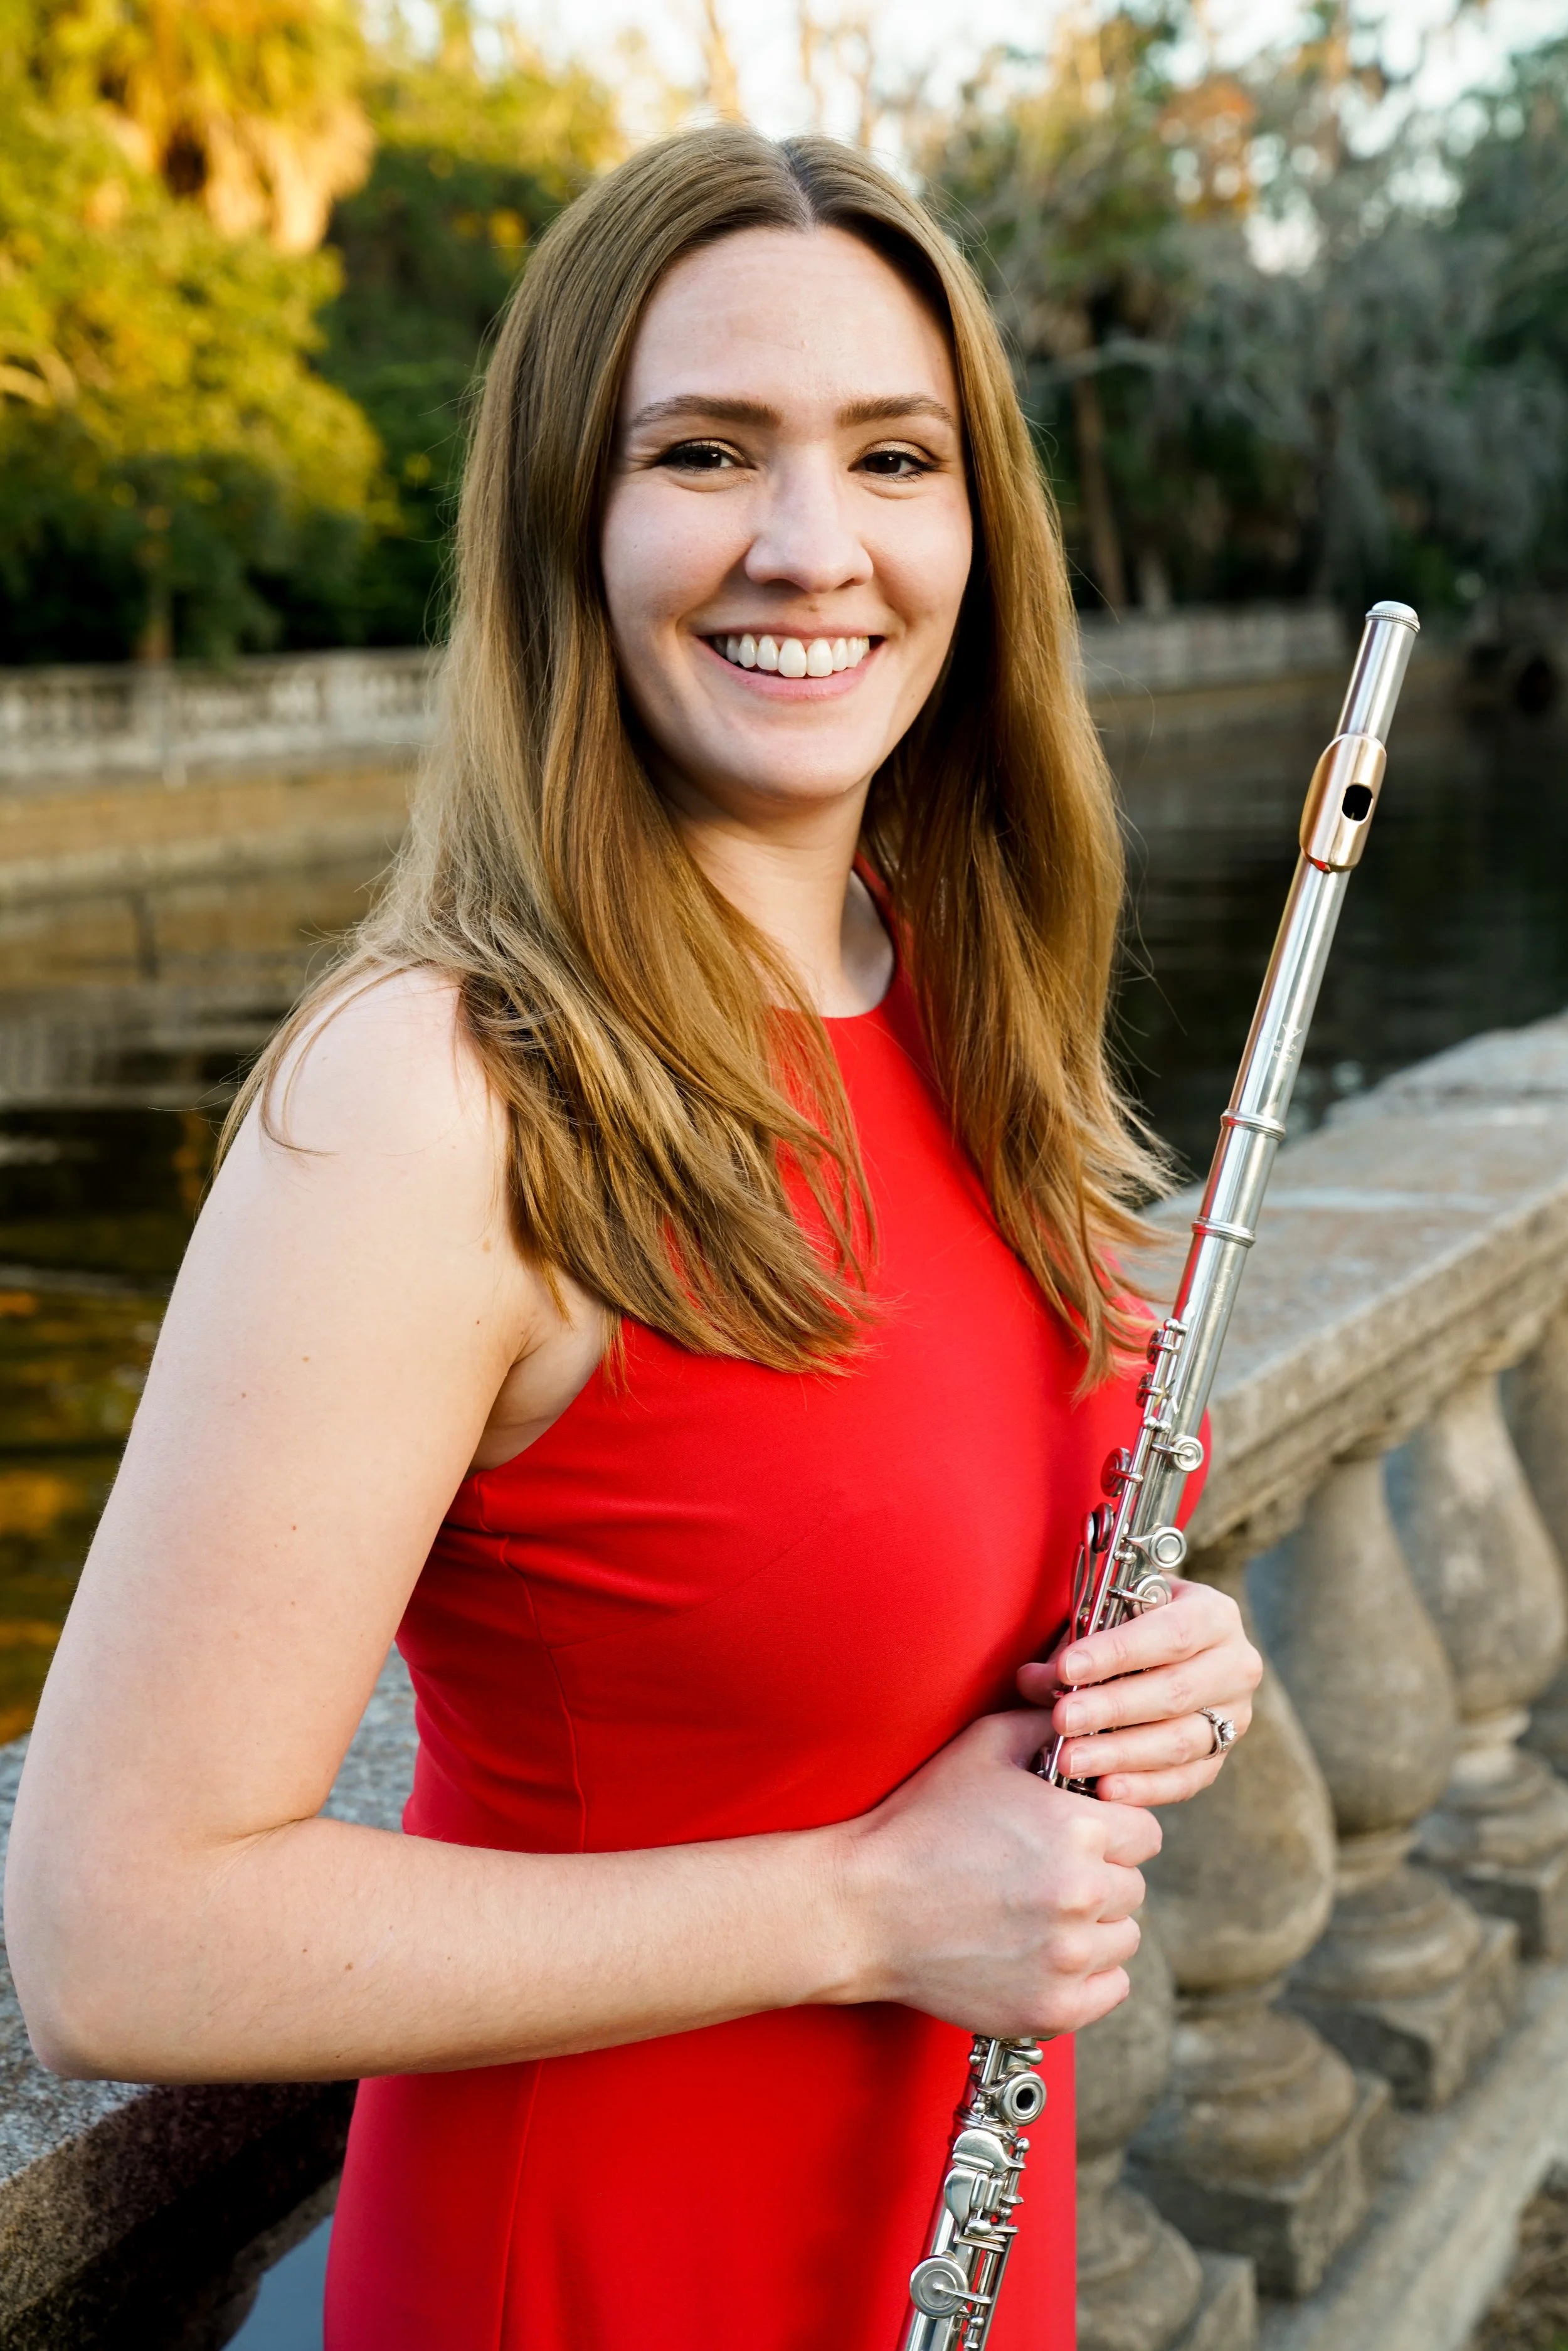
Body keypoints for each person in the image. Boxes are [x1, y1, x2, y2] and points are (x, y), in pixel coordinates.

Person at [4, 127, 1261, 2351]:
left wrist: (1164, 1671)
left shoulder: (947, 985)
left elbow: (890, 1558)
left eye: (895, 454)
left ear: (981, 529)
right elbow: (115, 1933)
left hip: (935, 2254)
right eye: (703, 449)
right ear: (561, 519)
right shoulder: (435, 1091)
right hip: (591, 2271)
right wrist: (868, 1904)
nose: (813, 545)